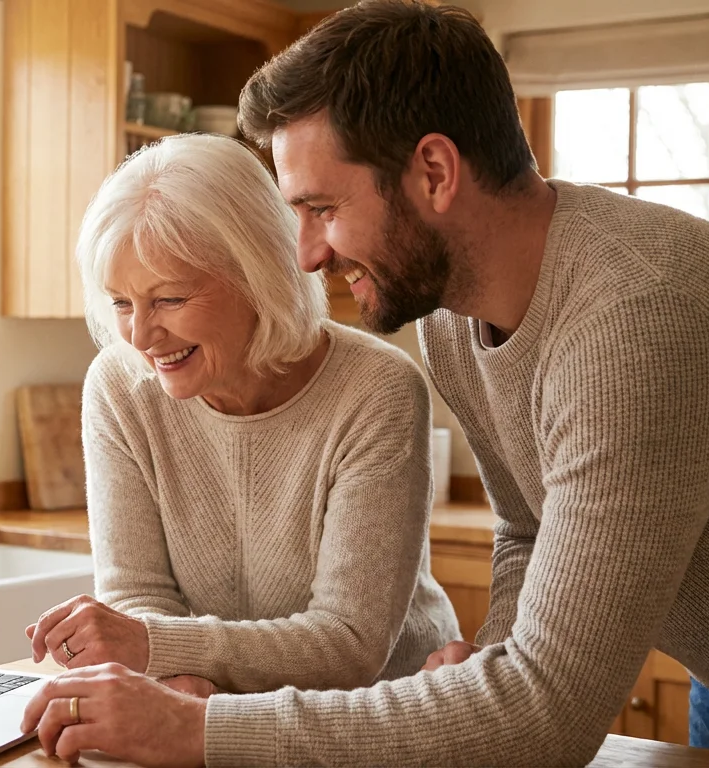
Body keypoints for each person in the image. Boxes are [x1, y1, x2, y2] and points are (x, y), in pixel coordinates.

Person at [20, 2, 709, 766]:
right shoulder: (451, 313)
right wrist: (495, 651)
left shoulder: (637, 328)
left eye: (322, 209)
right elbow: (526, 524)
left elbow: (548, 713)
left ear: (436, 172)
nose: (306, 255)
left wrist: (199, 730)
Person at [23, 132, 460, 704]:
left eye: (170, 299)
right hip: (218, 714)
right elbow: (137, 596)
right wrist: (181, 683)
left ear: (260, 275)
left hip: (376, 718)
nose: (140, 336)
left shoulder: (377, 388)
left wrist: (161, 654)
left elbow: (349, 645)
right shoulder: (120, 386)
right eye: (122, 303)